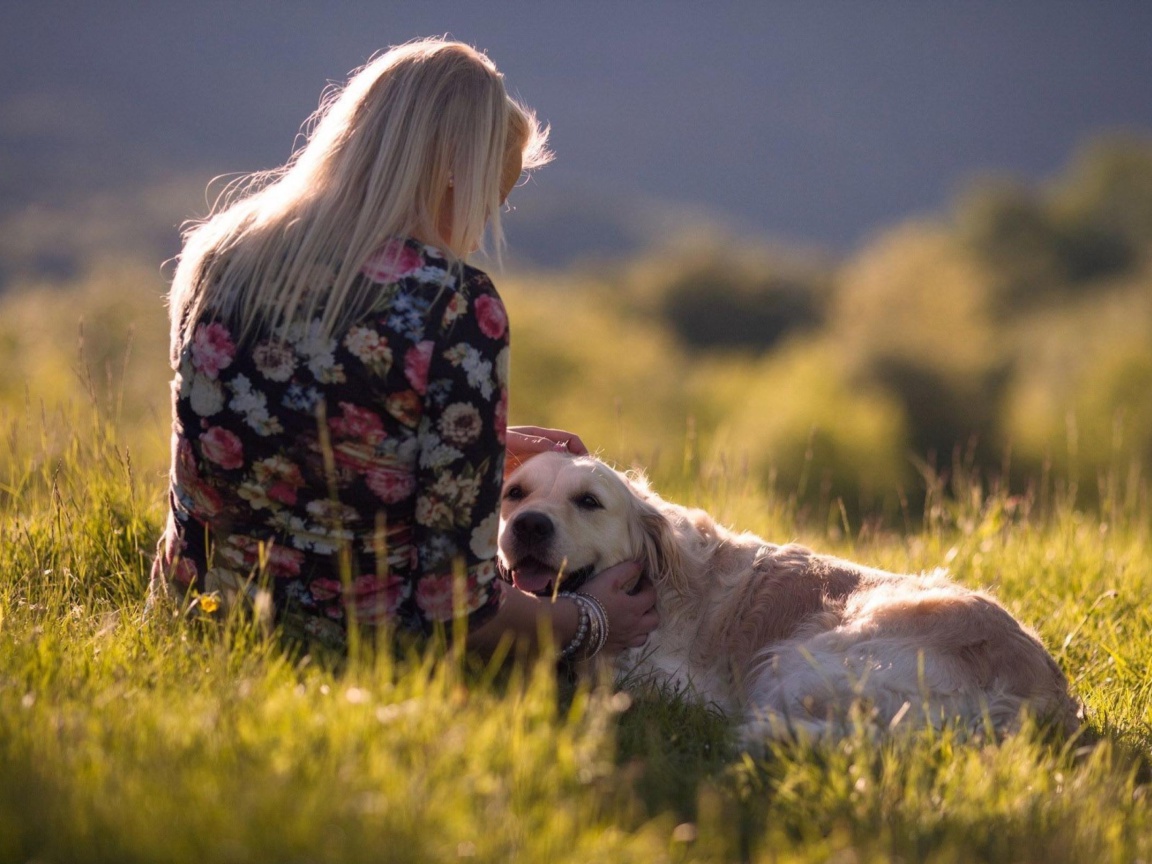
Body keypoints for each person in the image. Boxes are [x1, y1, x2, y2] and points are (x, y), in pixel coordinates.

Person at [150, 37, 659, 660]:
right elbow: (461, 611)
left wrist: (474, 454)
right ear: (452, 173)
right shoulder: (453, 302)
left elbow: (262, 441)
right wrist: (592, 621)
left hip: (198, 617)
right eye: (486, 200)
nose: (472, 235)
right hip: (356, 649)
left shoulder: (218, 254)